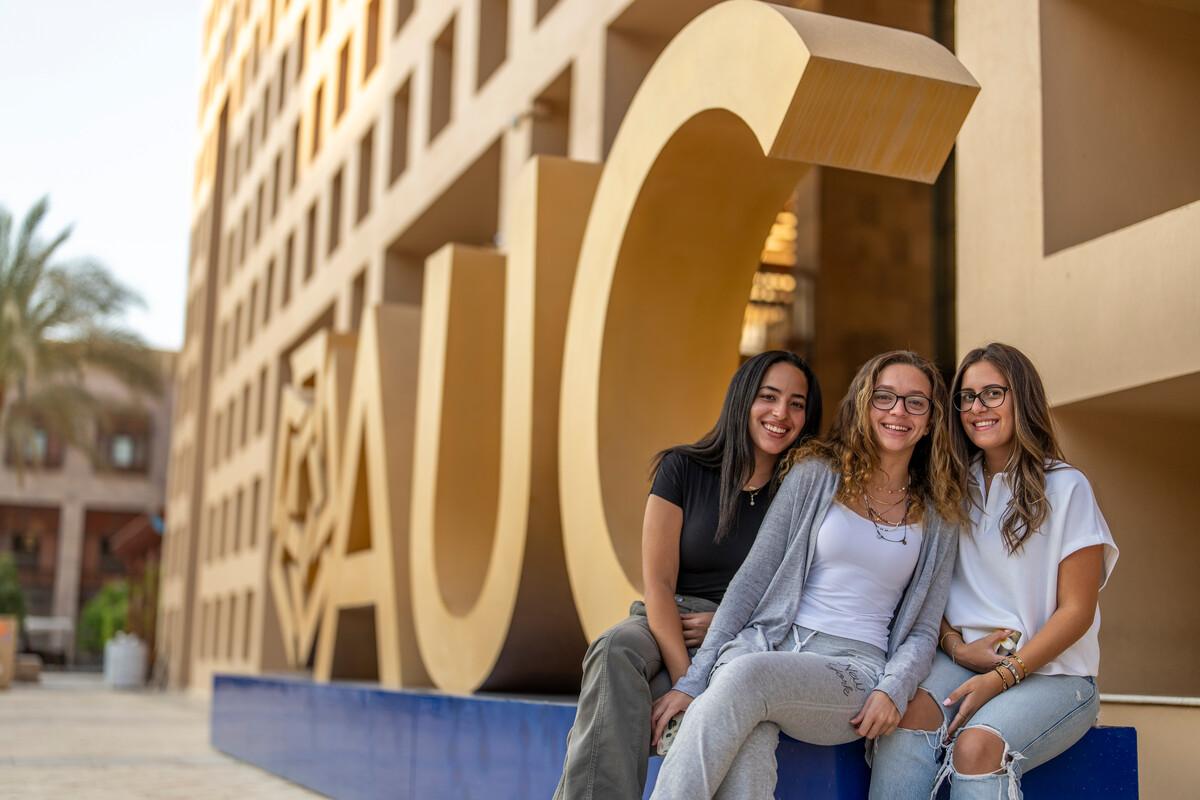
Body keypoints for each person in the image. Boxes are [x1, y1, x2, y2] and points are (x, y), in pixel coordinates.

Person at [649, 351, 965, 800]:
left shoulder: (939, 514)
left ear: (931, 421)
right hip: (771, 644)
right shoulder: (816, 475)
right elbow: (751, 583)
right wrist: (694, 681)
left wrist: (894, 689)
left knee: (743, 678)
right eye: (885, 397)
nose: (898, 411)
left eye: (916, 402)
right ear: (863, 404)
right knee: (749, 743)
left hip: (853, 672)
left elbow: (923, 628)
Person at [553, 350, 823, 800]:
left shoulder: (805, 489)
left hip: (749, 632)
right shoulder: (683, 469)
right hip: (671, 622)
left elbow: (803, 586)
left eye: (797, 403)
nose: (781, 413)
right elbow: (657, 583)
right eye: (769, 397)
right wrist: (687, 681)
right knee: (615, 648)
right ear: (742, 400)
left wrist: (724, 631)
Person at [868, 343, 1119, 800]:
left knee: (977, 746)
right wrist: (957, 648)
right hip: (961, 662)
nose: (976, 408)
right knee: (905, 715)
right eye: (966, 397)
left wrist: (1001, 677)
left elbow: (1077, 611)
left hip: (1055, 676)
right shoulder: (950, 490)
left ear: (1021, 398)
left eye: (992, 394)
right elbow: (925, 589)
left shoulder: (1065, 487)